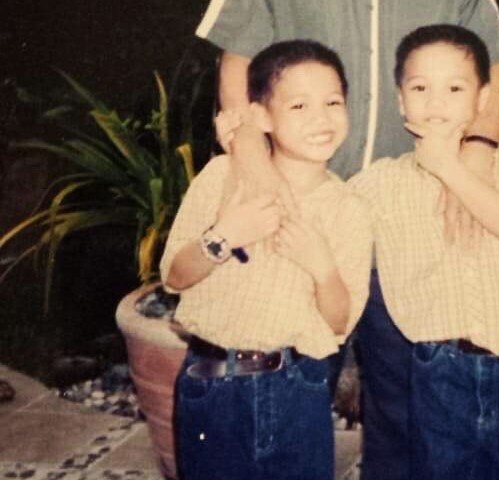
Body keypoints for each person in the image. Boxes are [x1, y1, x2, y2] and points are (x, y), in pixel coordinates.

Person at [195, 2, 499, 479]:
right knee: (290, 380)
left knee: (404, 394)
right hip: (304, 204)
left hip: (409, 208)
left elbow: (497, 65)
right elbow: (238, 58)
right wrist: (252, 159)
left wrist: (477, 150)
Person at [349, 24, 499, 480]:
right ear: (400, 100)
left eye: (454, 87)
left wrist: (449, 166)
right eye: (419, 87)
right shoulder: (382, 183)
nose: (435, 102)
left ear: (483, 98)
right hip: (438, 369)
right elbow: (320, 205)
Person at [160, 39, 373, 480]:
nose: (321, 118)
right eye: (299, 106)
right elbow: (175, 277)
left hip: (297, 386)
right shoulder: (223, 176)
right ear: (261, 116)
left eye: (333, 102)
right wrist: (224, 236)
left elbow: (339, 321)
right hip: (211, 382)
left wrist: (321, 267)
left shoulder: (349, 209)